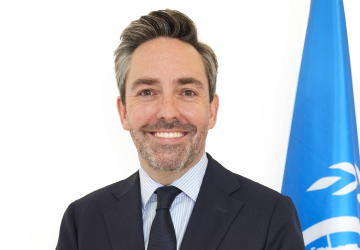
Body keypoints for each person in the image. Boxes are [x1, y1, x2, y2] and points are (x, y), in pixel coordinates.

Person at [56, 9, 305, 250]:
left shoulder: (270, 216)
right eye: (147, 92)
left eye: (187, 92)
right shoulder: (82, 222)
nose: (168, 111)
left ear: (212, 111)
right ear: (123, 112)